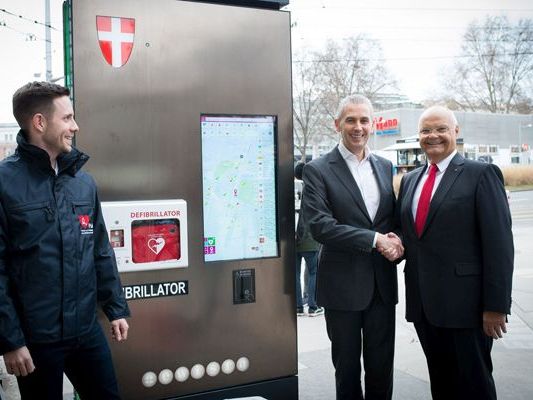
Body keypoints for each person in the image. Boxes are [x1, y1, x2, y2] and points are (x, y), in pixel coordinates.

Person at [0, 82, 131, 399]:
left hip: (86, 331)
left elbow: (100, 249)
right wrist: (11, 341)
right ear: (40, 123)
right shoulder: (4, 183)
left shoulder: (83, 183)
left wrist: (115, 308)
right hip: (36, 340)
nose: (75, 126)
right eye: (67, 118)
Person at [396, 106, 514, 400]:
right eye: (425, 131)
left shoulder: (481, 174)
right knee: (442, 383)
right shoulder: (411, 180)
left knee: (474, 386)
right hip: (424, 307)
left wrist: (496, 305)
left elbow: (499, 245)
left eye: (440, 129)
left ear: (456, 132)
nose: (432, 136)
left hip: (468, 309)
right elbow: (412, 237)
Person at [302, 94, 403, 400]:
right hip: (342, 289)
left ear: (372, 124)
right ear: (337, 124)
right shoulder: (318, 169)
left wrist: (398, 241)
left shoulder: (385, 166)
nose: (358, 127)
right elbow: (320, 226)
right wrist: (374, 240)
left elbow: (392, 219)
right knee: (346, 370)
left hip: (382, 288)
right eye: (351, 120)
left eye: (364, 120)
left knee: (382, 368)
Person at [294, 162, 323, 317]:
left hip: (291, 239)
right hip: (308, 238)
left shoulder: (290, 188)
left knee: (295, 273)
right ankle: (313, 306)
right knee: (313, 272)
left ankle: (298, 306)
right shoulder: (311, 189)